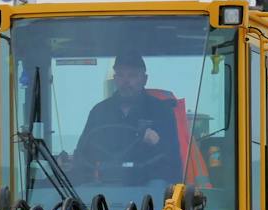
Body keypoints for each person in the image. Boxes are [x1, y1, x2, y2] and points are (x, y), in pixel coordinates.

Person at [68, 54, 184, 185]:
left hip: (148, 188)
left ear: (144, 79)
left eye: (132, 75)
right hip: (107, 185)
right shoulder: (99, 112)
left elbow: (174, 159)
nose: (126, 81)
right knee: (85, 189)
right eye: (121, 75)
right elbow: (83, 155)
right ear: (115, 79)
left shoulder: (161, 111)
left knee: (159, 185)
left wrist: (158, 143)